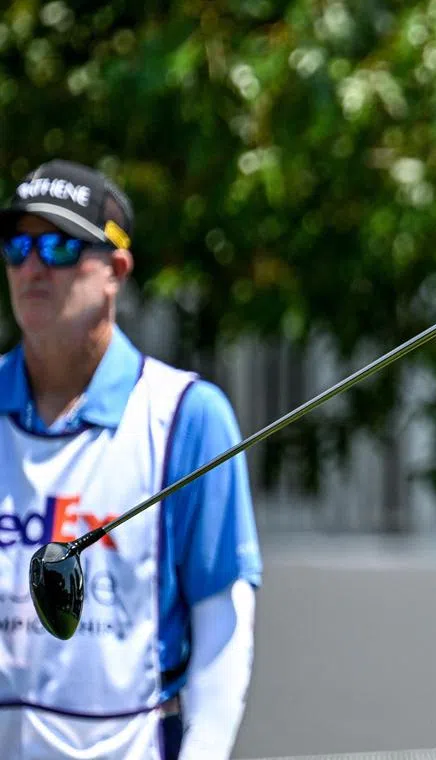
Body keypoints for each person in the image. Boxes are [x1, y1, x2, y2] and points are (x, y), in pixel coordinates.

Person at [0, 159, 263, 759]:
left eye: (61, 246)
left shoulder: (188, 415)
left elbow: (222, 612)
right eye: (17, 246)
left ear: (116, 269)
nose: (33, 266)